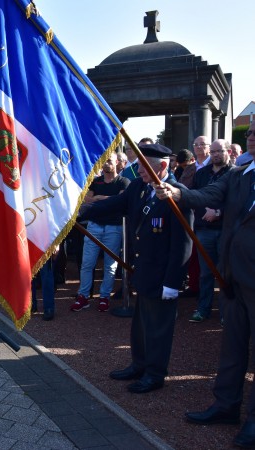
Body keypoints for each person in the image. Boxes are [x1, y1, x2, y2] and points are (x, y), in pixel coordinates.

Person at [158, 122, 255, 448]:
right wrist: (179, 193)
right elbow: (209, 194)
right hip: (231, 276)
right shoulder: (239, 173)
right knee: (233, 346)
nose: (252, 135)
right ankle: (226, 405)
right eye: (251, 130)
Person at [81, 144, 192, 394]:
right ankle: (139, 364)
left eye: (144, 165)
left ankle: (154, 374)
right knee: (141, 324)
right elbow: (115, 204)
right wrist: (80, 210)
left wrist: (173, 283)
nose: (138, 170)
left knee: (159, 328)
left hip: (163, 275)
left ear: (162, 166)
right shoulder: (139, 187)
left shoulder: (178, 194)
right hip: (142, 270)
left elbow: (183, 244)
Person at [71, 152, 130, 312]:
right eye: (103, 161)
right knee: (87, 263)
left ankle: (104, 297)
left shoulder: (124, 182)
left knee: (110, 266)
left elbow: (120, 202)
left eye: (109, 161)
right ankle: (83, 296)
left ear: (117, 162)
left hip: (114, 227)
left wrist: (98, 198)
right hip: (94, 226)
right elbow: (86, 200)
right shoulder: (95, 182)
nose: (105, 164)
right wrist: (106, 199)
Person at [188, 139, 233, 323]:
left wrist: (218, 213)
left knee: (225, 273)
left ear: (228, 151)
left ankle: (225, 312)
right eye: (213, 151)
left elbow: (237, 201)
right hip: (204, 229)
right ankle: (203, 309)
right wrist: (204, 212)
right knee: (205, 273)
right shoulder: (202, 173)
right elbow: (194, 197)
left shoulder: (235, 174)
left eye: (219, 151)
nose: (215, 154)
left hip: (225, 230)